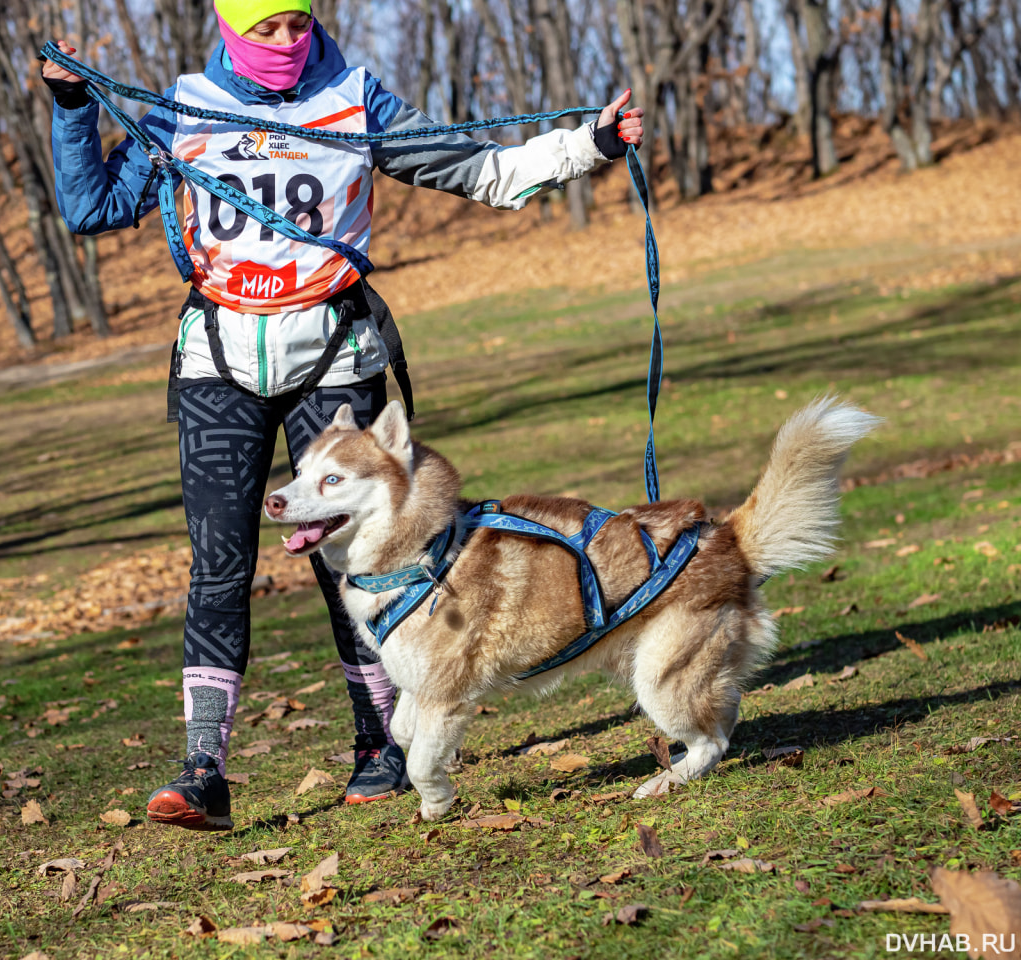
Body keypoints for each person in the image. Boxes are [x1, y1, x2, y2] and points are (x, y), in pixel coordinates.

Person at [42, 0, 644, 832]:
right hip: (217, 366)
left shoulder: (356, 101)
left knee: (359, 562)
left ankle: (380, 746)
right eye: (267, 30)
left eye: (298, 24)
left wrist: (592, 144)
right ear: (228, 29)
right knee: (218, 568)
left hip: (332, 357)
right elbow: (93, 207)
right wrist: (72, 107)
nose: (288, 43)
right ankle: (204, 770)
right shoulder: (180, 109)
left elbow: (483, 172)